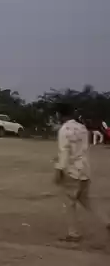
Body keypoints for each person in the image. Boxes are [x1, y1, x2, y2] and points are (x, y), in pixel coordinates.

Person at [54, 102, 109, 242]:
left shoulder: (64, 130)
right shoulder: (82, 128)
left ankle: (73, 233)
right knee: (86, 200)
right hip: (85, 169)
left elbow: (64, 151)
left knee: (69, 203)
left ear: (59, 115)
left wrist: (59, 170)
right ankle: (107, 222)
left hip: (72, 171)